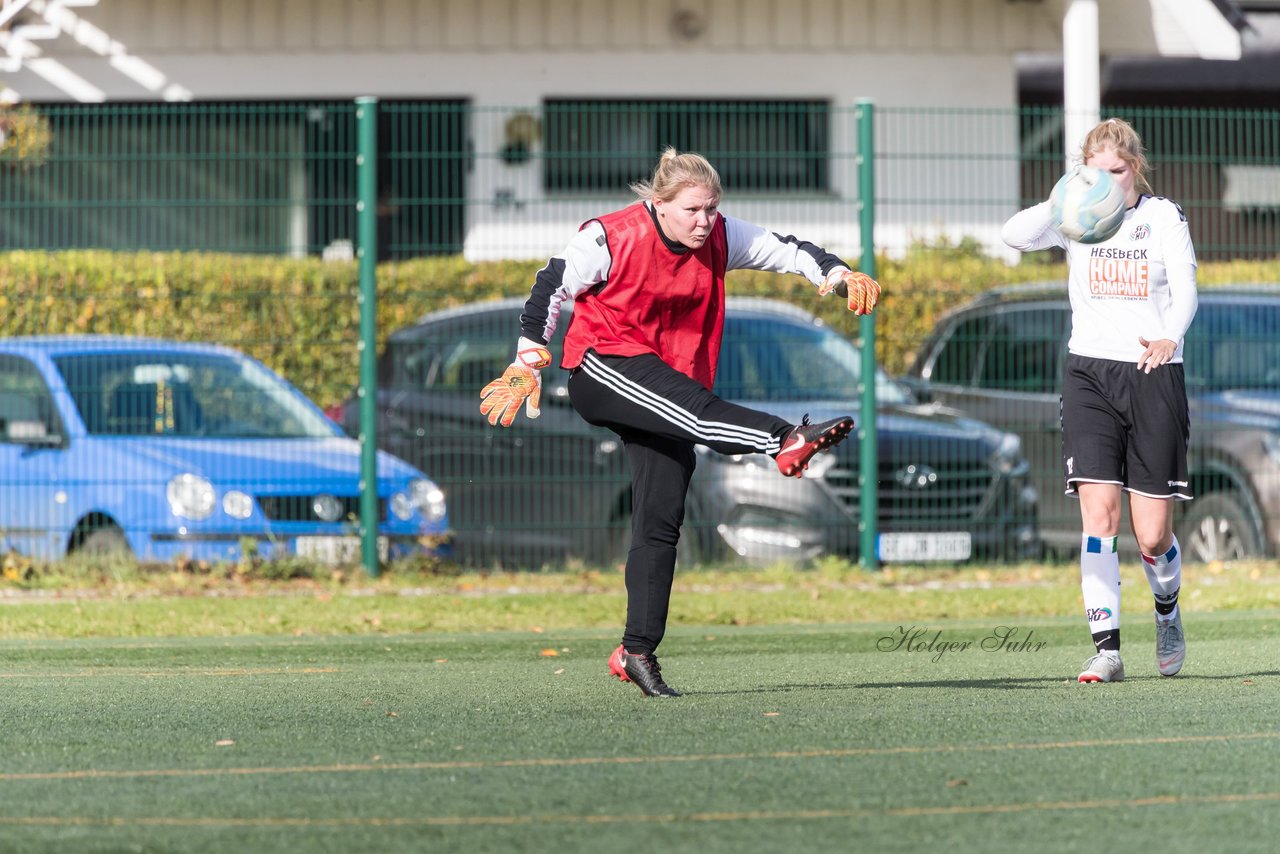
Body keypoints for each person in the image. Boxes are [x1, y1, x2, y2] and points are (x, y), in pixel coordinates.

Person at [479, 147, 881, 697]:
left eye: (712, 209)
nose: (705, 221)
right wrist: (527, 360)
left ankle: (636, 651)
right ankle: (784, 439)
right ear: (659, 204)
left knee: (661, 519)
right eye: (693, 210)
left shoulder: (719, 234)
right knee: (694, 412)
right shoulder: (610, 236)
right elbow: (551, 284)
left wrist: (835, 272)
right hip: (604, 365)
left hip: (668, 386)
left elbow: (787, 251)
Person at [1002, 118, 1198, 684]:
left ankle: (1167, 611)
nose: (1107, 183)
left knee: (1153, 533)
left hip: (1153, 371)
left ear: (1135, 167)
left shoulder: (1162, 217)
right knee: (1099, 517)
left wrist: (1171, 337)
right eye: (1095, 172)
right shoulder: (1077, 219)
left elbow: (1185, 287)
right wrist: (1066, 194)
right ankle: (1106, 649)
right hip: (1088, 373)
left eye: (1116, 171)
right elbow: (1015, 235)